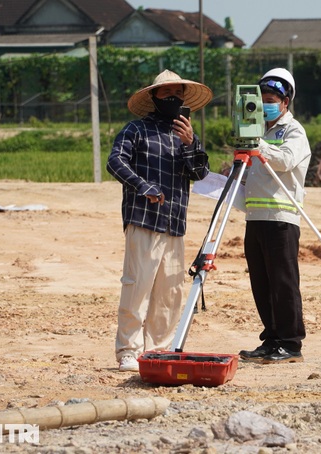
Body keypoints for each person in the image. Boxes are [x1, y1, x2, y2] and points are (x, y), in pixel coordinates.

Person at [107, 70, 212, 372]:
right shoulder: (136, 130)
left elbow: (200, 173)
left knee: (170, 291)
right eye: (166, 94)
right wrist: (142, 185)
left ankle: (158, 349)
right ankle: (128, 350)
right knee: (137, 286)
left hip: (175, 223)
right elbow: (115, 161)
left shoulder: (186, 134)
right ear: (153, 97)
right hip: (144, 219)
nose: (173, 99)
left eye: (177, 93)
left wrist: (191, 143)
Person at [238, 68, 312, 364]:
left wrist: (259, 145)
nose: (265, 104)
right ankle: (271, 339)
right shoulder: (257, 131)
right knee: (262, 282)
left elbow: (285, 161)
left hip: (281, 217)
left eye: (271, 99)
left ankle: (291, 343)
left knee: (283, 282)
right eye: (262, 99)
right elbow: (250, 176)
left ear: (285, 102)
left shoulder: (293, 131)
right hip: (255, 217)